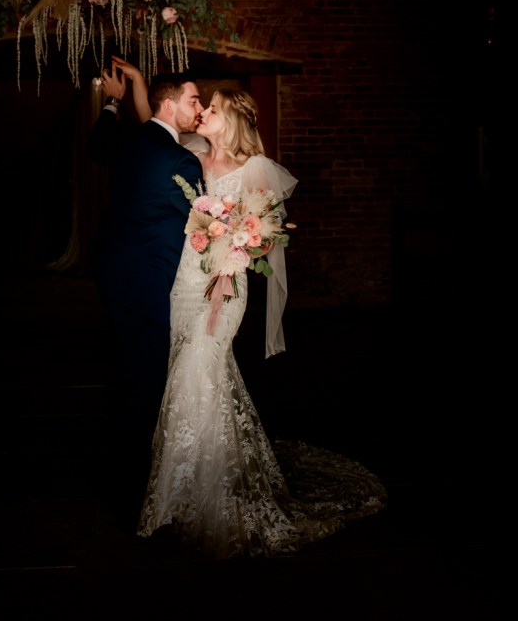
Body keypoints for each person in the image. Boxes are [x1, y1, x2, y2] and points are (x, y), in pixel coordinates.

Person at [137, 88, 387, 558]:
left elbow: (263, 237)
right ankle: (181, 495)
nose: (203, 113)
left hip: (226, 288)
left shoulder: (255, 169)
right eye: (201, 106)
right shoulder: (190, 154)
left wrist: (230, 271)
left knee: (199, 372)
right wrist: (132, 85)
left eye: (210, 108)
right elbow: (153, 124)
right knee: (184, 377)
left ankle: (215, 498)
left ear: (229, 118)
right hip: (186, 283)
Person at [86, 64, 205, 528]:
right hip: (152, 280)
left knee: (129, 365)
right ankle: (140, 487)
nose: (199, 108)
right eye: (194, 100)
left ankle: (122, 463)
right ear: (169, 105)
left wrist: (114, 102)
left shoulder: (131, 138)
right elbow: (204, 224)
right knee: (149, 378)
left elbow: (97, 147)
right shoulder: (182, 160)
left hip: (113, 273)